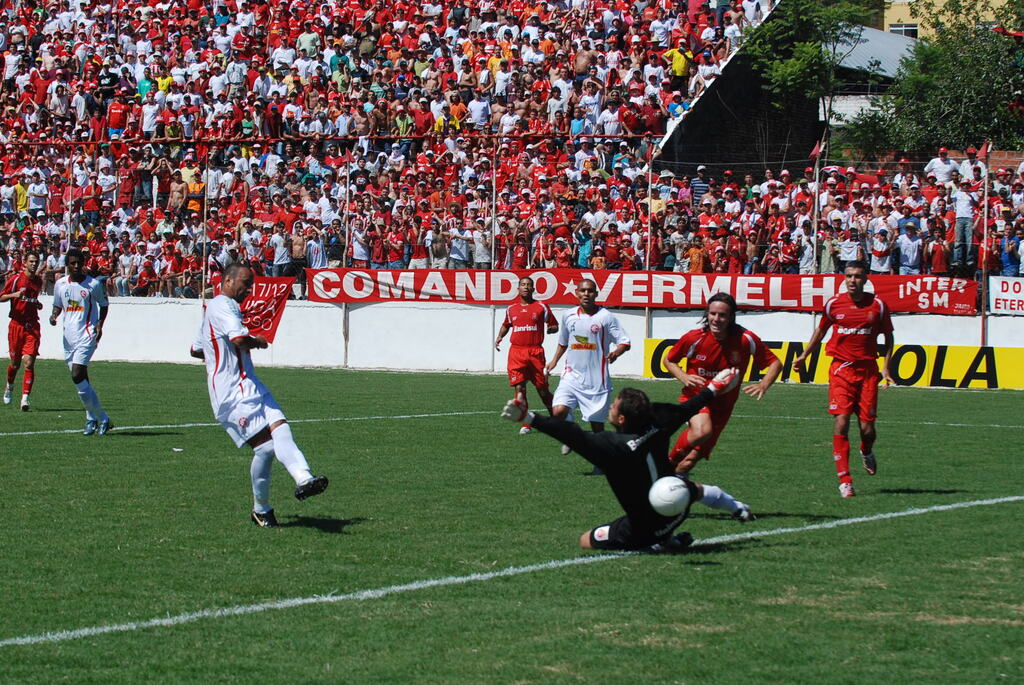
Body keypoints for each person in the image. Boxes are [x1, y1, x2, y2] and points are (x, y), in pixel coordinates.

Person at [500, 369, 753, 553]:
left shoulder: (612, 447)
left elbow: (571, 435)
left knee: (585, 540)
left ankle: (659, 544)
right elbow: (690, 408)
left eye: (613, 407)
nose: (610, 406)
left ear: (621, 419)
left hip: (642, 530)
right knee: (695, 489)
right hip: (678, 509)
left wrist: (530, 417)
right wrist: (713, 388)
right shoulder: (658, 420)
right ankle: (737, 508)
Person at [190, 263, 328, 528]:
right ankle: (262, 509)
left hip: (249, 384)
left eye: (251, 285)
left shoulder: (214, 310)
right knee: (266, 447)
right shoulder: (223, 305)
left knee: (280, 427)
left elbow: (196, 349)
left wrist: (216, 350)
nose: (248, 290)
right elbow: (239, 340)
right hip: (232, 394)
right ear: (228, 280)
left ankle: (304, 479)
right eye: (245, 283)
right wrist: (258, 341)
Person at [792, 260, 894, 498]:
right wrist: (805, 355)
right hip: (841, 371)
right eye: (848, 276)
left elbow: (889, 338)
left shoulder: (878, 306)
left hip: (868, 372)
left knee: (867, 429)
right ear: (843, 278)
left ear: (865, 279)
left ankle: (866, 449)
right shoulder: (833, 305)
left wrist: (886, 369)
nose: (852, 280)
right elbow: (821, 331)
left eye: (857, 276)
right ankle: (845, 480)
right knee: (841, 422)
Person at [663, 292, 782, 475]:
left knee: (688, 463)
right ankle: (666, 464)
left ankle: (671, 483)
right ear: (707, 314)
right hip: (697, 397)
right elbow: (669, 360)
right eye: (712, 314)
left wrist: (763, 384)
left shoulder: (745, 339)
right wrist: (684, 377)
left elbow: (775, 362)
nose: (716, 319)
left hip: (723, 407)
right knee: (703, 431)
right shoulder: (694, 338)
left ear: (731, 317)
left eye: (722, 315)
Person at [545, 279, 631, 464]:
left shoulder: (605, 317)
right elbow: (563, 341)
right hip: (571, 376)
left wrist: (616, 352)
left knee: (597, 429)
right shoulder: (568, 315)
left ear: (596, 294)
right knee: (558, 411)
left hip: (596, 382)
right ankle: (571, 434)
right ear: (576, 293)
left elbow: (625, 341)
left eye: (590, 291)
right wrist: (554, 361)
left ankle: (602, 463)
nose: (586, 294)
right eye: (582, 291)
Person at [50, 249, 112, 435]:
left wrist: (100, 325)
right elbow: (58, 304)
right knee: (81, 380)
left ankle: (99, 417)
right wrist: (54, 315)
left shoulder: (93, 284)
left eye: (79, 263)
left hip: (87, 334)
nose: (76, 266)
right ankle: (94, 419)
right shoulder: (60, 284)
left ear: (83, 263)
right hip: (68, 338)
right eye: (72, 263)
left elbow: (104, 305)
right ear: (67, 264)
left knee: (77, 374)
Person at [494, 276, 558, 435]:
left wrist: (552, 329)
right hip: (516, 353)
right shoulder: (511, 309)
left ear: (533, 289)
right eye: (523, 284)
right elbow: (506, 325)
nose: (526, 287)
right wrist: (499, 337)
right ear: (518, 288)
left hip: (535, 352)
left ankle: (557, 420)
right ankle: (526, 424)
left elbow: (554, 325)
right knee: (520, 388)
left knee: (543, 391)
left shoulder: (541, 307)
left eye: (529, 285)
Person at [1, 251, 43, 410]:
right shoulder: (16, 279)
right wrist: (14, 294)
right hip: (16, 325)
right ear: (25, 262)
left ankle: (25, 399)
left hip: (32, 325)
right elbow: (1, 297)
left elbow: (32, 299)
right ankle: (10, 386)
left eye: (36, 261)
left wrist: (37, 304)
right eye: (31, 261)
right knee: (15, 363)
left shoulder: (38, 281)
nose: (34, 264)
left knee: (29, 362)